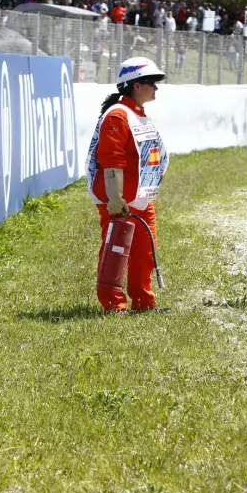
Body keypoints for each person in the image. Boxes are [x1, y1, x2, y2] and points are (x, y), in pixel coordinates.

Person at [85, 57, 169, 312]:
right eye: (152, 82)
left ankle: (144, 302)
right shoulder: (118, 116)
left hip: (140, 197)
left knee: (145, 249)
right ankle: (113, 305)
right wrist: (115, 198)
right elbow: (111, 161)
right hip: (120, 199)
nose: (156, 87)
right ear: (135, 85)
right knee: (116, 249)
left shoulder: (136, 114)